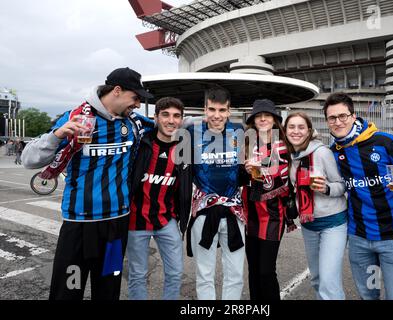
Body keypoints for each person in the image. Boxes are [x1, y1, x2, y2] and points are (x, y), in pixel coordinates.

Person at [22, 67, 154, 300]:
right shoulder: (75, 117)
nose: (137, 104)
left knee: (108, 290)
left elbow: (168, 124)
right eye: (135, 98)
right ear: (117, 91)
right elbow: (28, 160)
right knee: (68, 291)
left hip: (116, 224)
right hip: (79, 225)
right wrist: (57, 135)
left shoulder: (134, 122)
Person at [323, 92, 393, 300]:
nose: (338, 122)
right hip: (359, 239)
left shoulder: (384, 141)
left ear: (353, 116)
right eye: (332, 118)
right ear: (327, 121)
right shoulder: (333, 152)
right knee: (369, 295)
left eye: (343, 116)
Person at [185, 86, 247, 300]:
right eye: (212, 109)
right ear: (205, 109)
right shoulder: (191, 132)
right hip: (204, 212)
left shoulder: (239, 131)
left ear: (229, 111)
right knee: (204, 274)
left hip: (234, 212)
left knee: (236, 274)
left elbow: (245, 167)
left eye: (222, 110)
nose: (217, 115)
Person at [127, 97, 192, 300]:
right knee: (137, 275)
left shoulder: (184, 149)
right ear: (155, 117)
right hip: (136, 221)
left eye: (176, 116)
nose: (171, 120)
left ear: (181, 120)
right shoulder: (140, 144)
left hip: (167, 220)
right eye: (165, 115)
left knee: (174, 274)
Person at [284, 112, 347, 300]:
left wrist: (326, 188)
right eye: (291, 127)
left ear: (309, 131)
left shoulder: (322, 152)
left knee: (329, 280)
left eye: (301, 127)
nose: (296, 131)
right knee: (317, 278)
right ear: (285, 131)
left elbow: (342, 185)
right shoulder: (288, 156)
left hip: (333, 222)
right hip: (309, 224)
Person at [242, 99, 291, 301]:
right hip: (249, 214)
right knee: (253, 271)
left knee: (265, 271)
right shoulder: (246, 142)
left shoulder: (285, 144)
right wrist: (244, 172)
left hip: (273, 215)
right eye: (258, 116)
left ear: (274, 119)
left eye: (267, 115)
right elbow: (238, 178)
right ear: (253, 120)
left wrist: (265, 170)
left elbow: (289, 179)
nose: (263, 119)